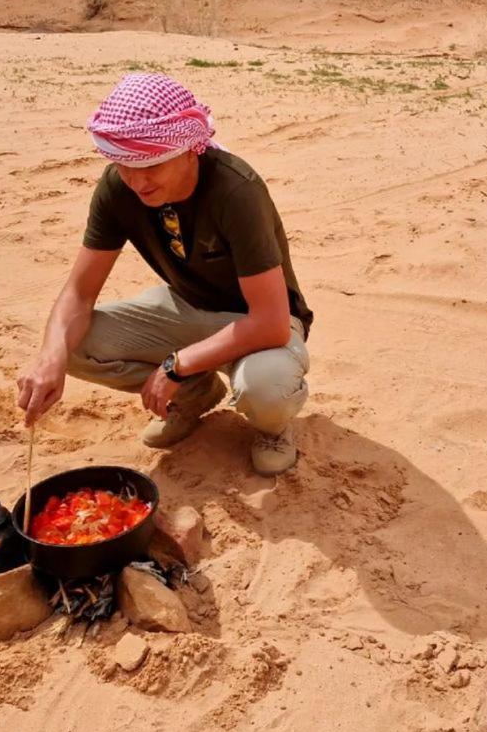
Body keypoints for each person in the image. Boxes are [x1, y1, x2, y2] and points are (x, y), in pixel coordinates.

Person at [16, 72, 312, 476]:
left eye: (152, 164)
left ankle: (273, 428)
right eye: (124, 165)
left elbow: (272, 322)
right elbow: (78, 295)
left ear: (191, 150)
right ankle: (195, 396)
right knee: (71, 344)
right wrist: (49, 359)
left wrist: (176, 364)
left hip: (258, 321)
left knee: (265, 386)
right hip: (186, 305)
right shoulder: (119, 188)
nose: (137, 180)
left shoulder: (235, 191)